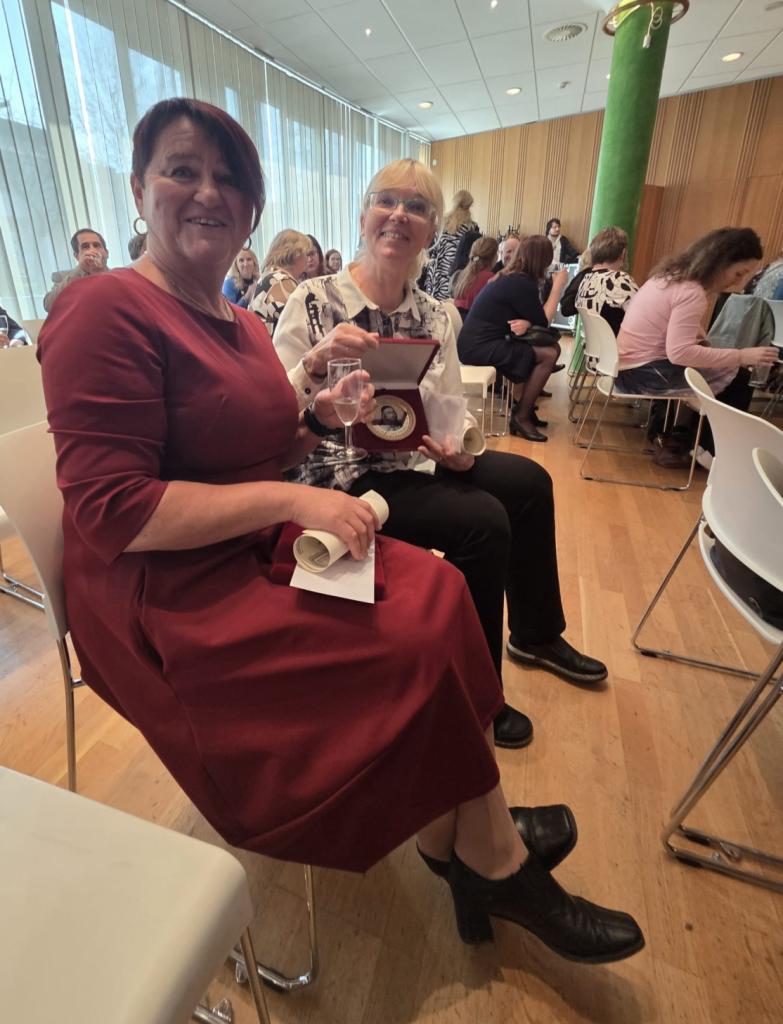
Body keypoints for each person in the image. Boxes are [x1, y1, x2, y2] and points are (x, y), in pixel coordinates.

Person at [37, 98, 643, 968]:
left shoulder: (238, 320)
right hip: (163, 592)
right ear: (138, 189)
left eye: (229, 179)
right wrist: (292, 502)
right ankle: (489, 855)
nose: (208, 193)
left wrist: (318, 420)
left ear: (252, 208)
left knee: (439, 592)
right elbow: (115, 512)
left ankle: (461, 837)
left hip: (238, 541)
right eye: (181, 170)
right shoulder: (105, 310)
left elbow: (256, 444)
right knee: (417, 624)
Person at [274, 159, 611, 755]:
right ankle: (476, 693)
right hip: (338, 478)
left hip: (415, 459)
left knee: (529, 482)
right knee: (483, 522)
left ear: (433, 229)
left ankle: (534, 634)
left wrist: (460, 448)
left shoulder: (435, 313)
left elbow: (451, 408)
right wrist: (315, 361)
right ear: (363, 215)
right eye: (387, 200)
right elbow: (274, 417)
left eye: (418, 207)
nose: (399, 215)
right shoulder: (312, 301)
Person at [617, 227, 777, 454]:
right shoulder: (692, 292)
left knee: (718, 366)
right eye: (738, 274)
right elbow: (680, 353)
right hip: (643, 375)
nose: (739, 283)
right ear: (720, 263)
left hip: (627, 368)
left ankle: (688, 441)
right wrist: (741, 356)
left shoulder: (668, 276)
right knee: (738, 376)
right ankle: (713, 451)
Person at [458, 235, 568, 442]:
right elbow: (544, 321)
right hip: (479, 347)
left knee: (551, 350)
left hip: (478, 342)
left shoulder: (511, 277)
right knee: (548, 354)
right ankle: (521, 416)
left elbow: (532, 318)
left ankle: (523, 408)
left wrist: (527, 323)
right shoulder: (520, 282)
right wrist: (557, 288)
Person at [560, 226, 638, 335]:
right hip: (617, 344)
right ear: (623, 253)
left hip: (592, 344)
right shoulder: (620, 279)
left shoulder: (585, 278)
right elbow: (642, 318)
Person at [248, 229, 311, 335]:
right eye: (306, 254)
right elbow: (300, 327)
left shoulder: (271, 276)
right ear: (296, 254)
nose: (308, 259)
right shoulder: (283, 282)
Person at [423, 189, 479, 300]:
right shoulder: (471, 228)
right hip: (453, 276)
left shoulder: (442, 223)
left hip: (435, 273)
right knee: (448, 307)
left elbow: (431, 248)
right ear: (469, 206)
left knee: (431, 304)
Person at [43, 228, 109, 311]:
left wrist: (99, 272)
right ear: (77, 256)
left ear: (106, 253)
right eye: (85, 247)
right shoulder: (64, 277)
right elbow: (49, 305)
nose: (92, 250)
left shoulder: (119, 276)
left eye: (96, 245)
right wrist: (80, 268)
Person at [452, 236, 498, 321]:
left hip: (456, 322)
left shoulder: (461, 275)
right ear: (494, 257)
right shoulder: (492, 279)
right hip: (474, 324)